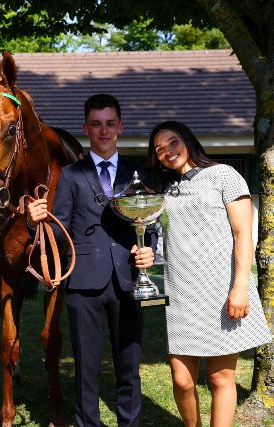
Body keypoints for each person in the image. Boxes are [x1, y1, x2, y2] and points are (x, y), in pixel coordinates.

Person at [27, 94, 156, 427]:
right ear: (86, 128)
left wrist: (150, 249)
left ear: (120, 127)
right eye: (96, 124)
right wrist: (36, 222)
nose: (104, 131)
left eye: (110, 124)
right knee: (86, 366)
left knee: (129, 365)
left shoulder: (137, 173)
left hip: (129, 279)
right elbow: (60, 230)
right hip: (84, 282)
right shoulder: (71, 175)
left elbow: (150, 223)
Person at [147, 120, 271, 427]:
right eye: (159, 149)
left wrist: (239, 288)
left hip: (221, 291)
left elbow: (244, 236)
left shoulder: (224, 175)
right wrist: (148, 261)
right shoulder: (165, 191)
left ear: (187, 140)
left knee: (219, 378)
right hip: (181, 296)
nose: (167, 151)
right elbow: (159, 240)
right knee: (182, 380)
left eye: (173, 142)